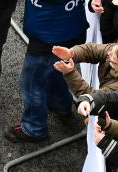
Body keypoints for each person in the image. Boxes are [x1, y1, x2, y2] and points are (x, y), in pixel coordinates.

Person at [5, 0, 87, 142]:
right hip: (67, 27)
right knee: (55, 69)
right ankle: (61, 104)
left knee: (31, 82)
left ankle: (34, 128)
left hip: (50, 34)